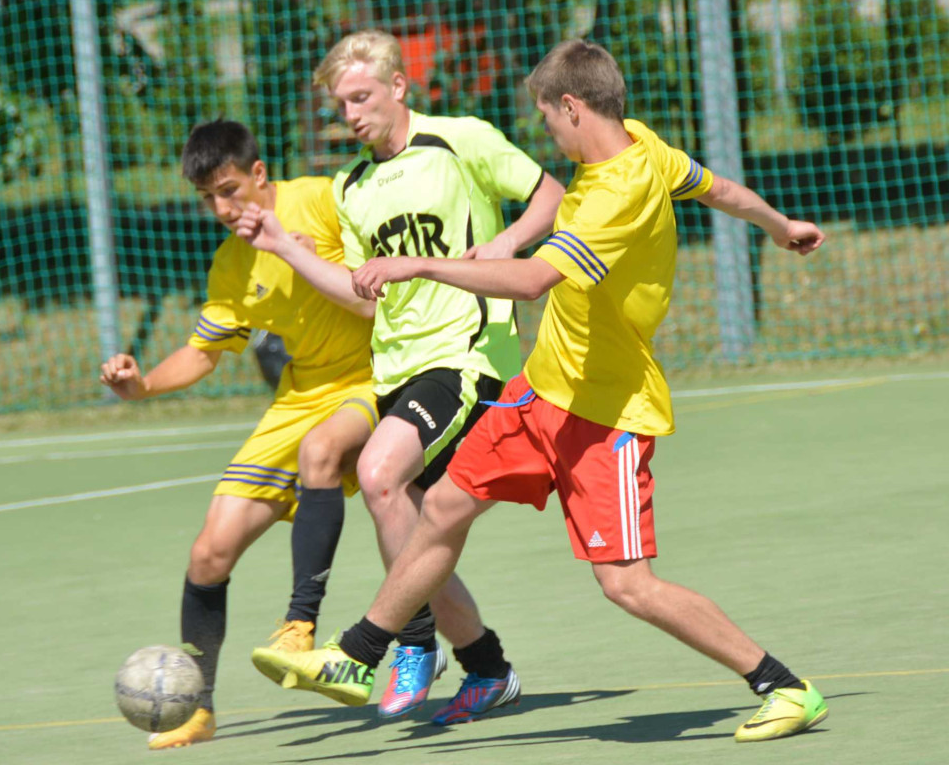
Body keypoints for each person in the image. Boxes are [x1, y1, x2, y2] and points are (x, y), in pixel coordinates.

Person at [257, 40, 830, 743]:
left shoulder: (615, 194)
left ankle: (782, 685)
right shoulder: (644, 145)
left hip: (605, 412)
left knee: (627, 585)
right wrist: (781, 225)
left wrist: (420, 265)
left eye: (547, 119)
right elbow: (717, 188)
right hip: (541, 393)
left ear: (573, 106)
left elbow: (532, 280)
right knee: (440, 506)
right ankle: (357, 655)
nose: (545, 133)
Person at [236, 30, 565, 723]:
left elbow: (550, 193)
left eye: (361, 97)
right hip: (399, 367)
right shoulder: (351, 185)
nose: (351, 114)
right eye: (341, 104)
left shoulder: (459, 140)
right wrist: (282, 249)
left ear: (398, 87)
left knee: (379, 470)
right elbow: (364, 293)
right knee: (415, 526)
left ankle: (405, 643)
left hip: (469, 352)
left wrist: (508, 241)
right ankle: (487, 666)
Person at [99, 119, 378, 749]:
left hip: (378, 375)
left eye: (229, 190)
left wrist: (296, 251)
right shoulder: (230, 264)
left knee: (342, 468)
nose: (222, 209)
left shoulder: (326, 201)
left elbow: (376, 287)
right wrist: (140, 386)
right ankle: (198, 707)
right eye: (208, 198)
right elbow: (202, 354)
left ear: (259, 174)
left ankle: (301, 628)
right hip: (302, 394)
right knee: (209, 552)